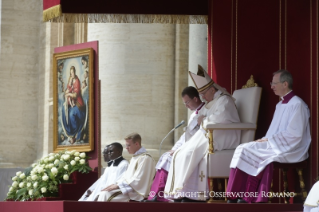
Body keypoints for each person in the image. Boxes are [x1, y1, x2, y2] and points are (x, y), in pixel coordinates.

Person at [227, 69, 311, 203]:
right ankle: (235, 194)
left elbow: (295, 134)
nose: (271, 86)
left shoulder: (297, 105)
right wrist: (266, 140)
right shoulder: (280, 105)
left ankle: (249, 196)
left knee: (257, 153)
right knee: (242, 148)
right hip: (275, 143)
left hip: (292, 147)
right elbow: (273, 131)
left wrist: (269, 140)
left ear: (285, 84)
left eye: (274, 83)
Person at [164, 65, 241, 202]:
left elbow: (221, 118)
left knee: (189, 153)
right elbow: (200, 117)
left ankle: (193, 194)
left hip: (226, 135)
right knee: (181, 152)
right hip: (211, 134)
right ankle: (184, 192)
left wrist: (203, 120)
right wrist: (201, 120)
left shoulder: (224, 100)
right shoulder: (210, 102)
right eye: (201, 94)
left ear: (212, 89)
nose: (203, 97)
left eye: (204, 93)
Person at [144, 86, 204, 202]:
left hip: (196, 148)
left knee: (168, 159)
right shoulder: (193, 115)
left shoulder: (205, 111)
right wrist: (175, 148)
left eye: (187, 102)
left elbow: (198, 137)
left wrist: (179, 150)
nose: (186, 106)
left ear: (195, 99)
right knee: (166, 156)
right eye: (184, 103)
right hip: (186, 147)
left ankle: (160, 195)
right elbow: (185, 137)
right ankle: (154, 195)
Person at [97, 133, 156, 202]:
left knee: (106, 195)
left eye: (128, 145)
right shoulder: (135, 158)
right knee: (103, 193)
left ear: (136, 144)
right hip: (129, 189)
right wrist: (116, 184)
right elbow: (126, 176)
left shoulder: (145, 158)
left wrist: (118, 186)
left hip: (137, 193)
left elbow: (138, 180)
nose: (126, 148)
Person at [61, 66, 86, 144]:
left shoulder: (77, 81)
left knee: (71, 114)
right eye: (71, 73)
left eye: (73, 72)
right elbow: (67, 89)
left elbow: (75, 95)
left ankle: (74, 132)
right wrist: (67, 90)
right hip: (72, 103)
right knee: (64, 111)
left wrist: (68, 93)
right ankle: (70, 132)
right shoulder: (70, 79)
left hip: (78, 104)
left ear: (75, 72)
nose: (72, 74)